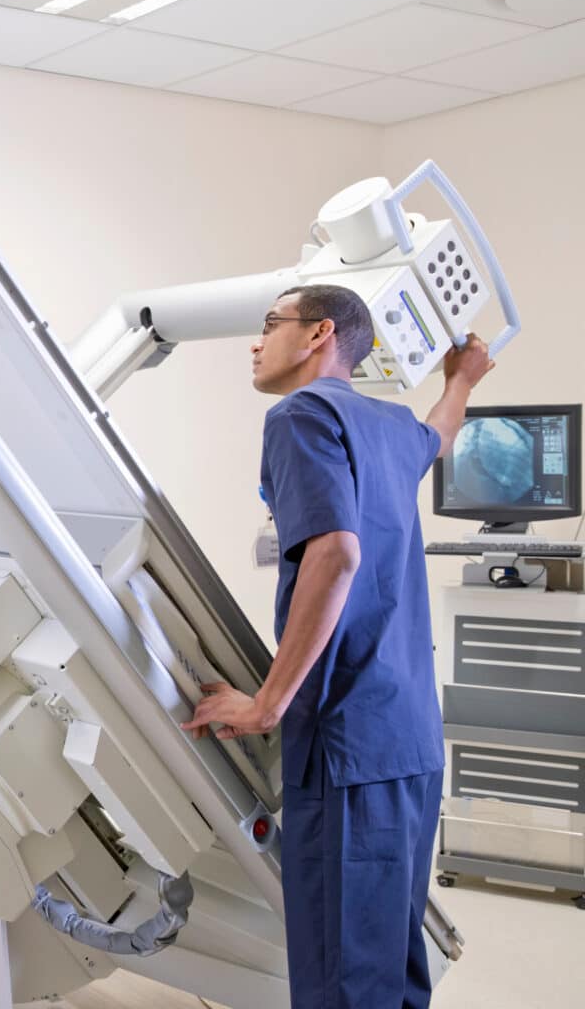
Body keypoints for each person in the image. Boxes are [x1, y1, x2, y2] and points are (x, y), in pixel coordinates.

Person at [180, 284, 493, 1008]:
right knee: (393, 969)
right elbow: (440, 435)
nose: (255, 343)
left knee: (344, 986)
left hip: (348, 746)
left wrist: (265, 705)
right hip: (411, 745)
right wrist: (462, 380)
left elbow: (335, 554)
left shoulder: (299, 415)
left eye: (268, 325)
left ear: (320, 333)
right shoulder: (388, 424)